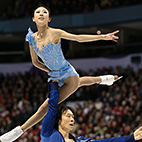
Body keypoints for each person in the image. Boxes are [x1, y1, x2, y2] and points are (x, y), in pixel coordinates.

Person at [25, 4, 120, 104]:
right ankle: (103, 79)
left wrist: (102, 37)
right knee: (80, 82)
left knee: (75, 85)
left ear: (49, 19)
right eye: (38, 12)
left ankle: (103, 79)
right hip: (54, 73)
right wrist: (50, 71)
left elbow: (78, 38)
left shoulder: (56, 32)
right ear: (33, 19)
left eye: (44, 12)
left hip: (65, 69)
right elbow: (35, 61)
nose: (41, 13)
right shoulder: (31, 37)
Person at [1, 81, 141, 142]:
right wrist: (53, 80)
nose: (72, 119)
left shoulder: (79, 141)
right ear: (58, 120)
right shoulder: (48, 132)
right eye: (68, 115)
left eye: (73, 116)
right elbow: (53, 103)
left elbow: (105, 141)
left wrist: (130, 138)